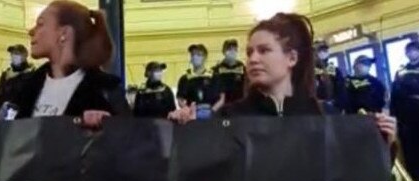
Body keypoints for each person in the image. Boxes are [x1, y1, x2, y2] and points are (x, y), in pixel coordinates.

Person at [168, 13, 396, 146]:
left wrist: (382, 143)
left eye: (264, 50)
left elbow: (354, 179)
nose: (253, 59)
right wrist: (185, 132)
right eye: (249, 52)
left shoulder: (324, 115)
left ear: (291, 58)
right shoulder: (228, 117)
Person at [0, 0, 130, 128]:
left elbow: (131, 143)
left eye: (40, 24)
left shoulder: (106, 90)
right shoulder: (25, 86)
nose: (31, 31)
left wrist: (108, 125)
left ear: (64, 33)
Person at [391, 40, 419, 181]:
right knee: (411, 153)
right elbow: (395, 95)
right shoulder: (401, 71)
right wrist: (394, 117)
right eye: (409, 51)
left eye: (414, 50)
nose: (411, 53)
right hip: (407, 118)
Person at [176, 44, 225, 120]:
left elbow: (222, 98)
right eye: (193, 54)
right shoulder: (185, 78)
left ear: (205, 57)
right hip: (192, 116)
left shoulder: (214, 76)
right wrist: (189, 111)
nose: (195, 57)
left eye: (198, 54)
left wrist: (212, 111)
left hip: (212, 114)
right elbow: (180, 99)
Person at [0, 44, 35, 112]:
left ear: (25, 56)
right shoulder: (5, 74)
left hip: (20, 116)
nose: (13, 56)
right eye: (12, 54)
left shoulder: (31, 75)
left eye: (17, 53)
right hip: (3, 115)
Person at [314, 40, 346, 113]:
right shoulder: (308, 73)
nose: (323, 53)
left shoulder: (335, 71)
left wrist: (333, 104)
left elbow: (342, 93)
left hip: (333, 111)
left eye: (325, 50)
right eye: (319, 50)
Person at [212, 39, 246, 104]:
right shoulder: (216, 69)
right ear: (224, 51)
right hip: (222, 105)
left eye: (234, 49)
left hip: (239, 104)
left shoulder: (242, 68)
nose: (232, 52)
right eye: (229, 49)